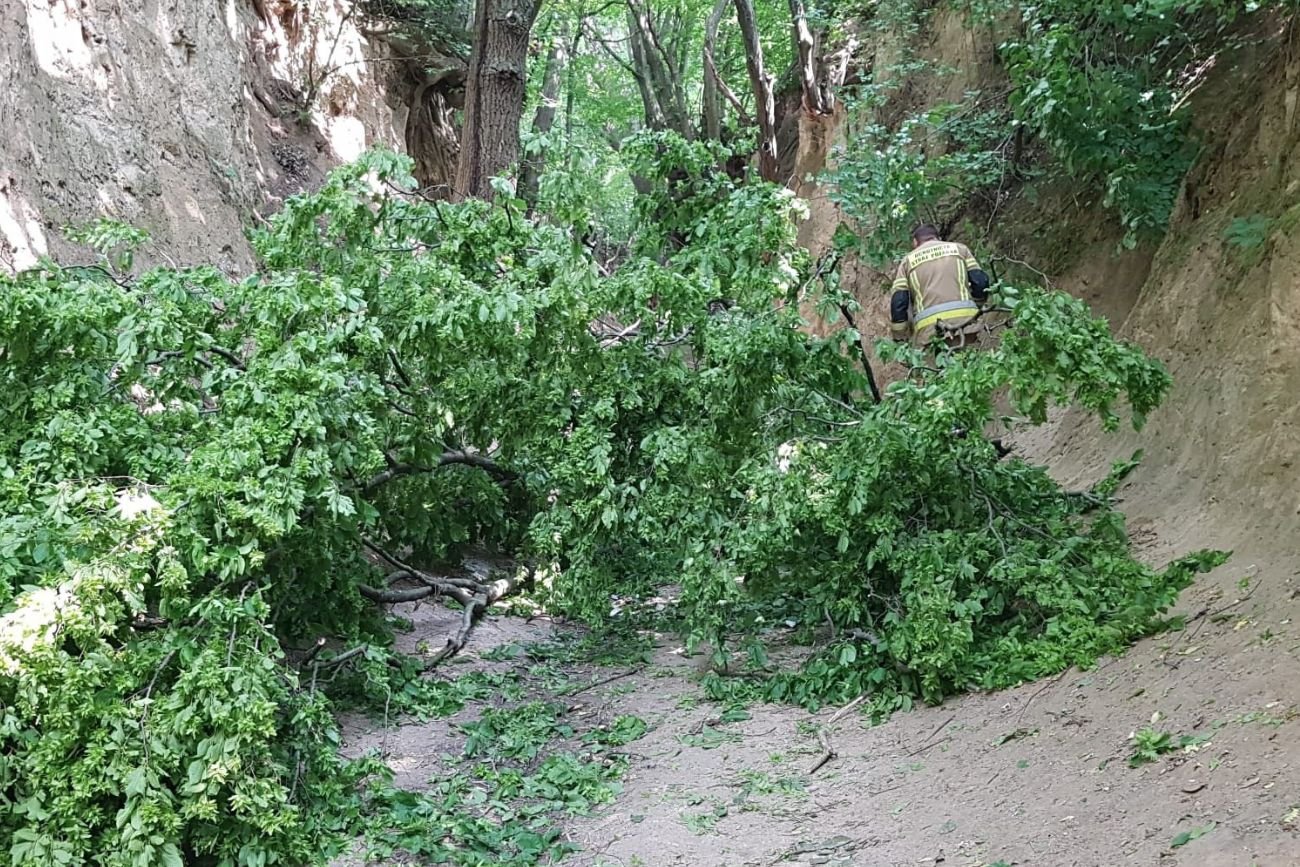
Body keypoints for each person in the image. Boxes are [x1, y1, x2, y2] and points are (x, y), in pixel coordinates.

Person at [889, 224, 992, 349]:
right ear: (938, 238)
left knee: (943, 360)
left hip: (930, 328)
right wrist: (977, 306)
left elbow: (899, 300)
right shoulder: (960, 249)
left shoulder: (907, 261)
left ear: (915, 242)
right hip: (966, 321)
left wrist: (900, 336)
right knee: (970, 357)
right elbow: (981, 282)